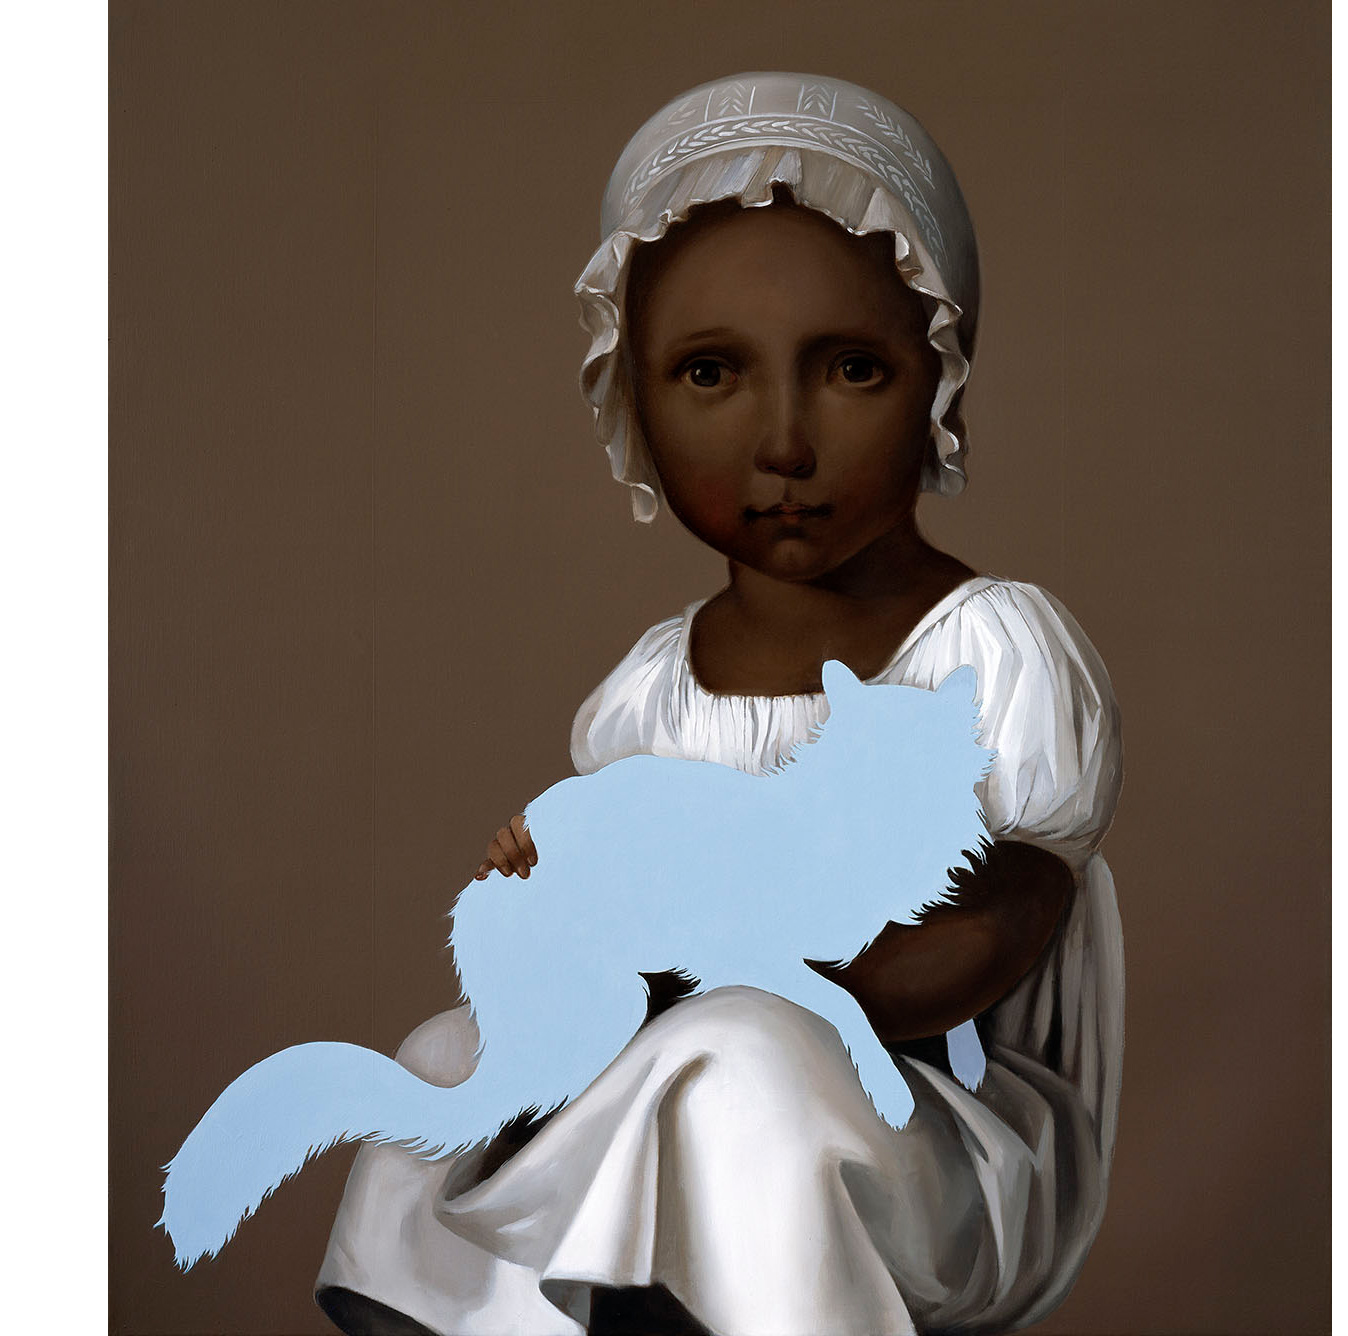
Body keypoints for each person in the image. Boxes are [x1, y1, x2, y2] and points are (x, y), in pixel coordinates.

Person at [315, 73, 1124, 1336]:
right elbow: (614, 892)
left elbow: (993, 926)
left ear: (940, 381)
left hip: (931, 1131)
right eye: (710, 373)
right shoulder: (649, 694)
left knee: (737, 1054)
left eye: (851, 369)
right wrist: (553, 906)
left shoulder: (989, 652)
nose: (784, 442)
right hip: (673, 1038)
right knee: (444, 1061)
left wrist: (708, 974)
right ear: (631, 402)